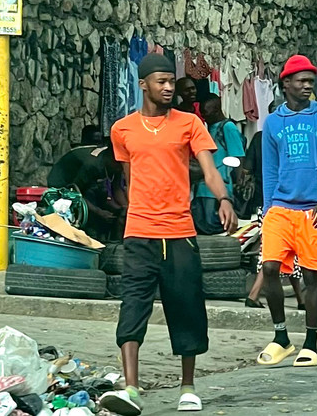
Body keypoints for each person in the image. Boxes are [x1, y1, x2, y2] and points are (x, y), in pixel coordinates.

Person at [101, 54, 237, 415]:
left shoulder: (190, 123)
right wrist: (132, 213)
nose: (166, 87)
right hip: (140, 234)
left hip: (180, 233)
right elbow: (130, 179)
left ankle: (188, 386)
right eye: (159, 81)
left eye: (169, 82)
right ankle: (131, 387)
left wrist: (223, 198)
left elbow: (209, 170)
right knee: (132, 306)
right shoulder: (122, 129)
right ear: (143, 84)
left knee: (186, 306)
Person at [258, 55, 317, 369]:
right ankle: (281, 337)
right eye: (302, 81)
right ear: (286, 84)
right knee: (269, 269)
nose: (307, 86)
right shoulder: (273, 122)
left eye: (311, 81)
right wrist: (268, 209)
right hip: (281, 208)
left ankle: (310, 343)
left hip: (314, 209)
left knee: (311, 278)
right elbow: (270, 169)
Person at [245, 102, 306, 311]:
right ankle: (297, 299)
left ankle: (300, 299)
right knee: (281, 252)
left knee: (276, 251)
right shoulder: (290, 137)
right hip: (285, 203)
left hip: (265, 202)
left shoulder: (260, 138)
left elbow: (247, 168)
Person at [47, 125, 125, 242]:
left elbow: (117, 188)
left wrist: (126, 208)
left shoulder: (118, 163)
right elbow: (77, 193)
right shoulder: (92, 165)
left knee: (102, 196)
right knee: (90, 208)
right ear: (111, 157)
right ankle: (90, 238)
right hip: (62, 181)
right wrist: (99, 212)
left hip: (86, 183)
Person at [192, 95, 246, 235]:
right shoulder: (207, 128)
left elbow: (238, 156)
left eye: (206, 112)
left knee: (216, 226)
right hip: (203, 186)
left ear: (216, 110)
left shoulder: (228, 127)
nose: (204, 116)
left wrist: (236, 183)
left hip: (220, 186)